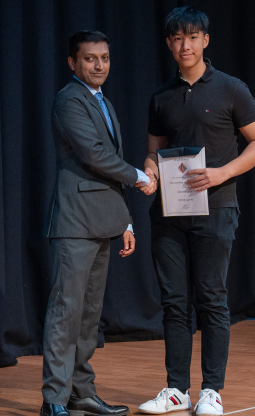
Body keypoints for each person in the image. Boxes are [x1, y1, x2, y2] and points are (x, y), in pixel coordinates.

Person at [137, 7, 255, 415]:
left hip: (216, 208)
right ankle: (177, 389)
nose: (186, 45)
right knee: (174, 302)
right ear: (169, 44)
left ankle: (211, 390)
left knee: (211, 298)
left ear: (205, 40)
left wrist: (221, 173)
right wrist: (149, 171)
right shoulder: (161, 95)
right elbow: (154, 152)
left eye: (193, 37)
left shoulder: (231, 88)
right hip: (168, 213)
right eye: (178, 38)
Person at [41, 30, 154, 416]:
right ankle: (54, 400)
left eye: (104, 58)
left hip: (103, 222)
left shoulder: (102, 101)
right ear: (72, 62)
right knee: (66, 312)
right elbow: (94, 156)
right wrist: (139, 176)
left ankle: (81, 393)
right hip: (75, 223)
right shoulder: (68, 100)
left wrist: (126, 222)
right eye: (90, 58)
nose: (99, 65)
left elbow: (107, 171)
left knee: (88, 316)